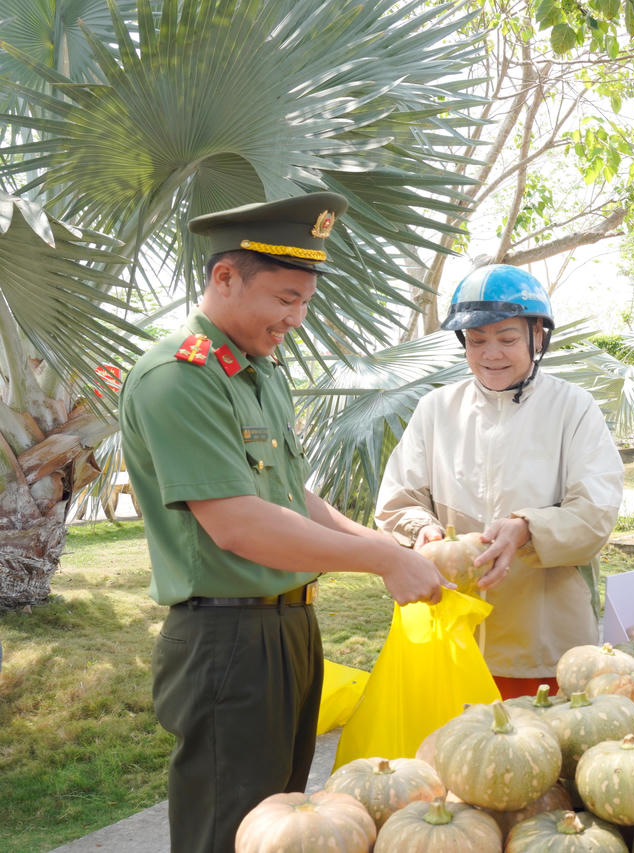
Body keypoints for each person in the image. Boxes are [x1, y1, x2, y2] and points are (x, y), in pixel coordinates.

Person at [119, 193, 449, 853]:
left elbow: (292, 497)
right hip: (226, 639)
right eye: (284, 298)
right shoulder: (180, 378)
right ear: (224, 278)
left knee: (283, 828)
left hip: (289, 627)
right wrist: (384, 562)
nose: (295, 319)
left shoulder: (257, 372)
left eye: (305, 303)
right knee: (229, 828)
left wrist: (387, 543)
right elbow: (239, 525)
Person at [375, 264, 624, 699]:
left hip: (544, 640)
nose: (491, 353)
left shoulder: (573, 408)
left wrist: (527, 527)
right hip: (453, 633)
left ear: (538, 337)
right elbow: (399, 499)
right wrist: (423, 530)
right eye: (476, 341)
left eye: (507, 339)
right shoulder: (436, 409)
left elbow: (595, 512)